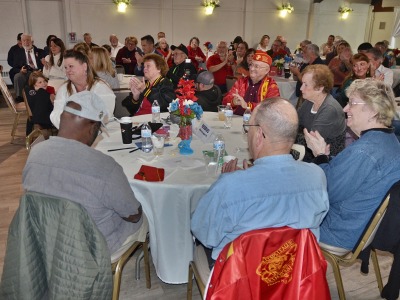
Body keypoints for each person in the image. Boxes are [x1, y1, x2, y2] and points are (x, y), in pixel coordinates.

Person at [191, 98, 329, 261]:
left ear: (259, 134)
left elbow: (204, 233)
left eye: (247, 128)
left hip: (240, 276)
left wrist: (235, 180)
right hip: (295, 270)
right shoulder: (317, 176)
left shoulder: (231, 185)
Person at [23, 91, 147, 257]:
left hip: (48, 237)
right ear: (92, 127)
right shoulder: (104, 166)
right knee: (146, 216)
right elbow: (133, 215)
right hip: (92, 247)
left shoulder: (34, 154)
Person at [304, 79, 400, 251]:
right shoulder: (388, 141)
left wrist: (319, 156)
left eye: (352, 103)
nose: (345, 109)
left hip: (338, 230)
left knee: (279, 214)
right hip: (359, 226)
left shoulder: (366, 151)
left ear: (373, 110)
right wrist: (326, 157)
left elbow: (327, 192)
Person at [50, 49, 115, 128]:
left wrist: (75, 122)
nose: (68, 70)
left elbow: (105, 115)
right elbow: (55, 115)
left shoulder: (101, 87)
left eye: (71, 66)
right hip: (70, 133)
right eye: (66, 67)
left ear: (84, 66)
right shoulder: (63, 89)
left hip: (101, 135)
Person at [297, 64, 346, 161]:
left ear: (320, 88)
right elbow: (294, 123)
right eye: (302, 83)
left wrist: (285, 134)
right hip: (309, 153)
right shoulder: (309, 102)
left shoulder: (330, 109)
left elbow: (311, 140)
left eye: (306, 85)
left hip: (327, 159)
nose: (301, 88)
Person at [10, 34, 44, 101]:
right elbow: (14, 68)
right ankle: (20, 97)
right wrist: (20, 70)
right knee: (18, 76)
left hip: (39, 71)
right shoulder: (18, 53)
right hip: (26, 72)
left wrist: (42, 69)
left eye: (28, 40)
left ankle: (42, 96)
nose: (26, 42)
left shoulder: (40, 52)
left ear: (32, 41)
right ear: (21, 43)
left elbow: (46, 63)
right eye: (24, 41)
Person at [24, 71, 56, 136]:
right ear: (34, 84)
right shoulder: (41, 93)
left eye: (44, 81)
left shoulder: (31, 91)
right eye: (40, 82)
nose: (44, 84)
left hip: (34, 118)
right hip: (45, 119)